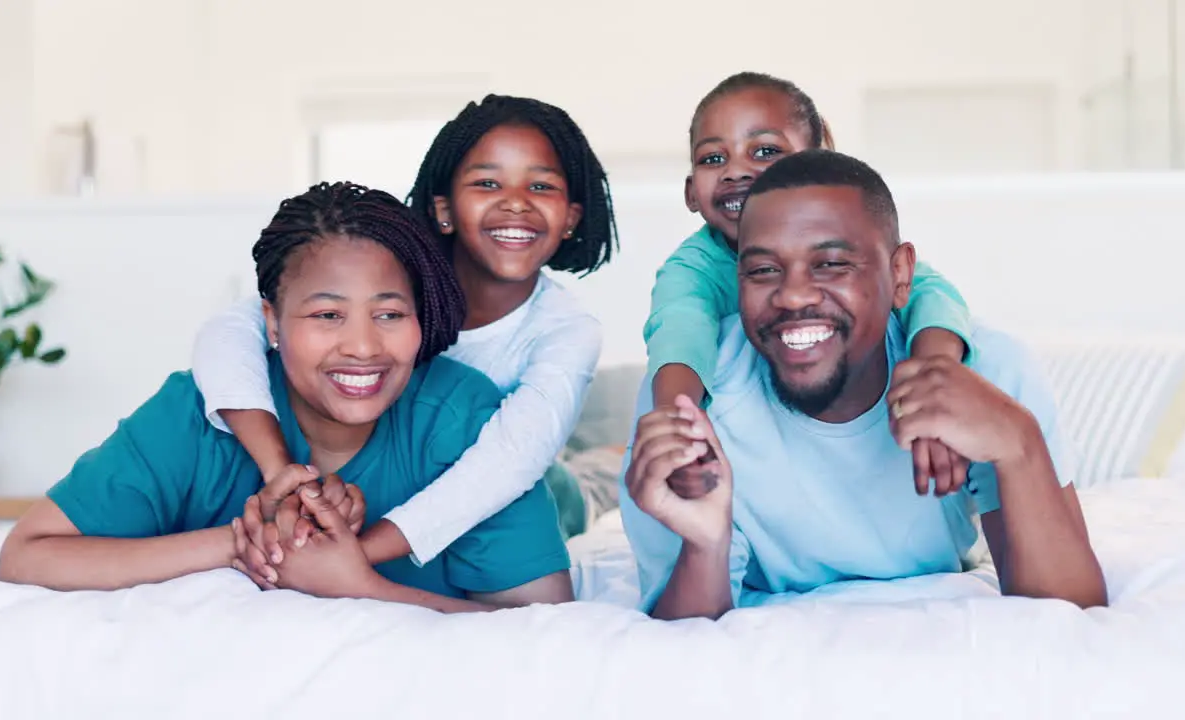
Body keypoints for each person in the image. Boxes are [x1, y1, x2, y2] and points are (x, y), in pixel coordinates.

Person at [0, 182, 573, 614]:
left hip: (558, 490)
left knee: (575, 489)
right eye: (327, 315)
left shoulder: (463, 419)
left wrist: (365, 588)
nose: (363, 347)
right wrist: (242, 546)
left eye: (390, 314)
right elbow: (26, 555)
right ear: (270, 322)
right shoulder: (199, 413)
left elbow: (548, 626)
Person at [620, 149, 1107, 620]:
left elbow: (1072, 611)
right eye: (764, 270)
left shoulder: (987, 372)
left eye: (831, 264)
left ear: (900, 275)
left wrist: (1019, 445)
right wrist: (705, 546)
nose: (792, 296)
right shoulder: (691, 404)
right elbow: (678, 643)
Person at [190, 97, 616, 587]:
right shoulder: (390, 269)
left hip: (537, 486)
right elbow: (226, 333)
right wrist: (279, 472)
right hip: (394, 478)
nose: (516, 202)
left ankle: (609, 458)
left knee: (589, 479)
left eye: (540, 186)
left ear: (571, 217)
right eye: (487, 183)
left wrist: (351, 559)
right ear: (443, 209)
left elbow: (508, 466)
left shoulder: (568, 330)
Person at [649, 72, 976, 499]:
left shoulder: (863, 249)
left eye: (765, 151)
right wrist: (678, 433)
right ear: (691, 193)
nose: (735, 171)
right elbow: (678, 330)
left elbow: (932, 295)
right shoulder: (691, 269)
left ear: (820, 162)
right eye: (713, 159)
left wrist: (936, 384)